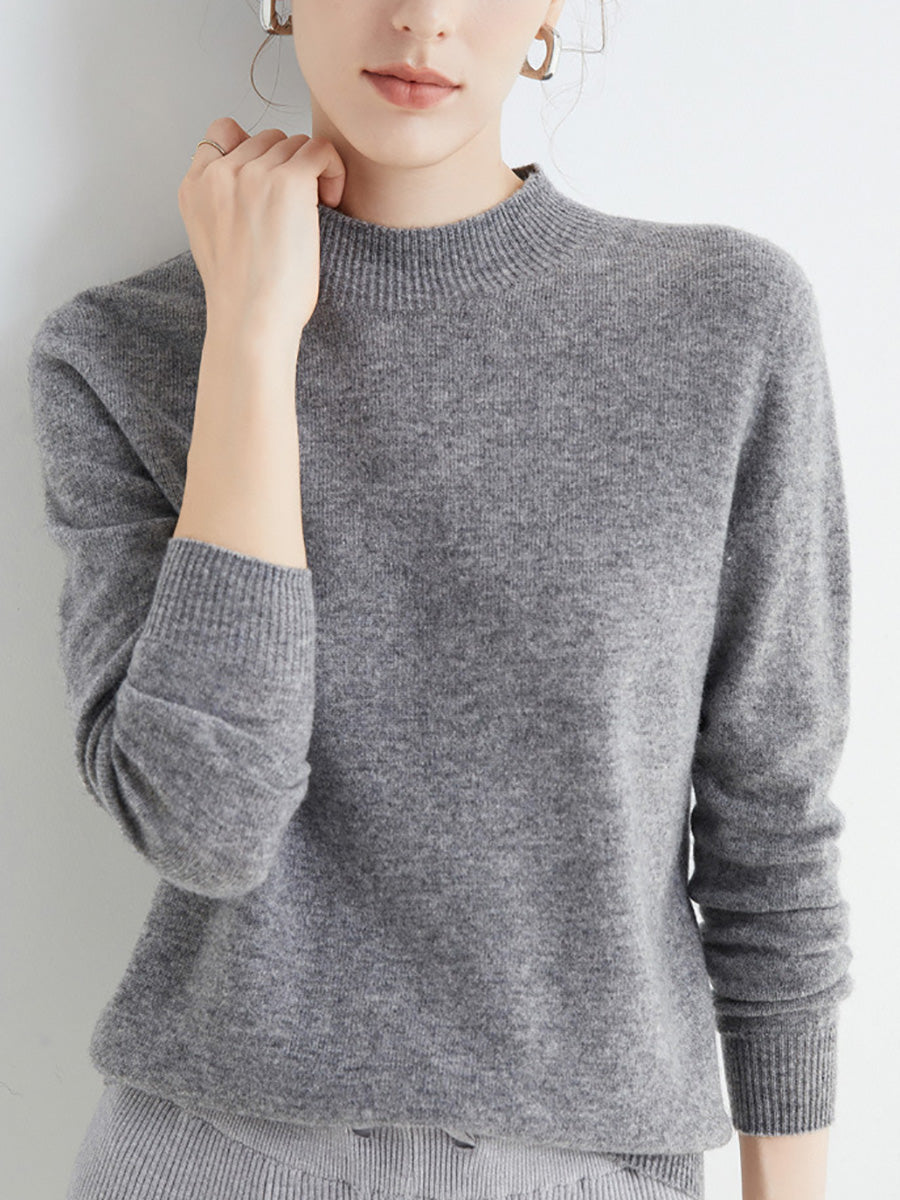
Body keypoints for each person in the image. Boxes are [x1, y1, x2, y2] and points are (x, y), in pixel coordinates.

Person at [27, 2, 853, 1199]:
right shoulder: (122, 352)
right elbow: (207, 825)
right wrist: (250, 340)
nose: (421, 17)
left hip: (589, 1171)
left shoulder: (725, 323)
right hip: (214, 1159)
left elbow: (767, 818)